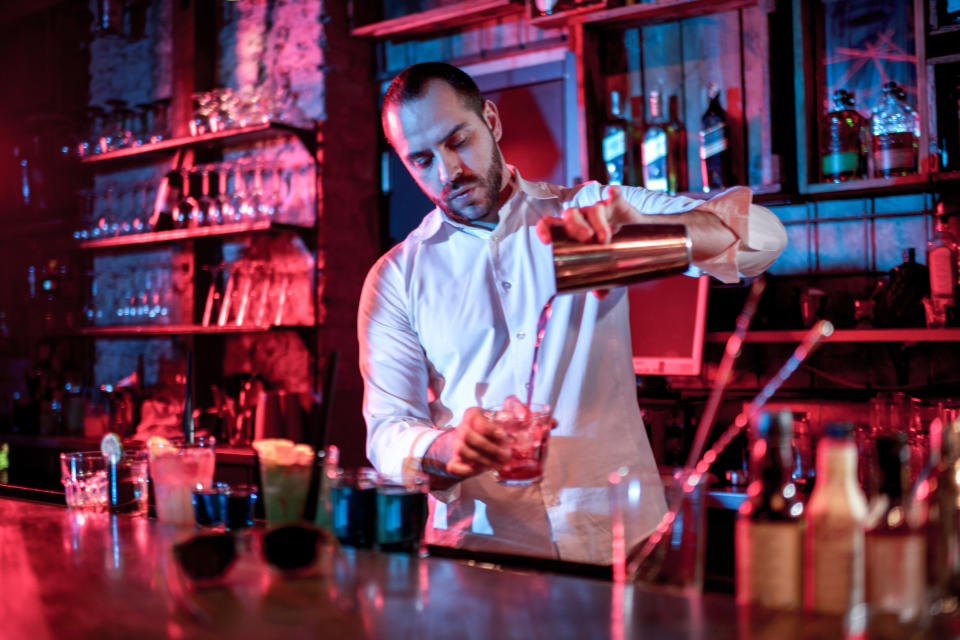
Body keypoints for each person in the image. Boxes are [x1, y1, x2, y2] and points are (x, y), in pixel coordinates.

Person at [358, 62, 787, 564]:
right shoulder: (396, 277)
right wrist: (445, 449)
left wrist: (646, 229)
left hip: (617, 540)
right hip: (481, 551)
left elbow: (763, 240)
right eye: (422, 160)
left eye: (458, 141)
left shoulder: (588, 215)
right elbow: (387, 428)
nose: (448, 171)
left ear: (491, 122)